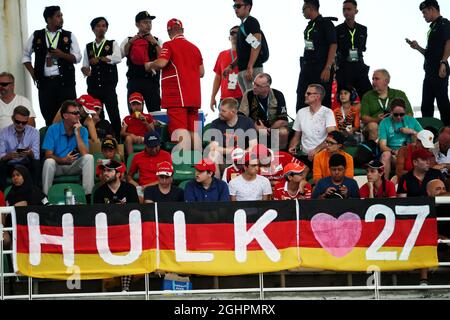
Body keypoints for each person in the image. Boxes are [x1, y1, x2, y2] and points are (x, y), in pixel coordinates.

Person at [145, 18, 204, 151]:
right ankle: (198, 164)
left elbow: (161, 63)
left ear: (169, 31)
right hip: (194, 97)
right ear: (182, 30)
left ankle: (183, 167)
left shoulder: (169, 45)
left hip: (177, 96)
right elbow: (201, 72)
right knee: (193, 132)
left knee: (179, 133)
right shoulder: (195, 48)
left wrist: (150, 65)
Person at [22, 6, 81, 126]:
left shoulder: (69, 36)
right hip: (45, 83)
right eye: (58, 16)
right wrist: (33, 73)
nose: (61, 18)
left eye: (61, 16)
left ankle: (69, 143)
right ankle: (51, 143)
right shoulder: (37, 35)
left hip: (65, 83)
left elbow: (77, 58)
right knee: (48, 115)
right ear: (49, 19)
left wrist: (62, 55)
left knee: (69, 115)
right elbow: (25, 56)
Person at [93, 160, 139, 292]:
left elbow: (136, 214)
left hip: (127, 231)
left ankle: (126, 288)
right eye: (104, 170)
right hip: (106, 233)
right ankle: (107, 287)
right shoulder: (99, 192)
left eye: (109, 170)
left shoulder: (130, 189)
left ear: (118, 174)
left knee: (128, 244)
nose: (105, 173)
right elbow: (96, 216)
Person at [407, 0, 450, 125]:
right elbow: (430, 53)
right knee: (426, 103)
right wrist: (418, 47)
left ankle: (447, 130)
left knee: (442, 101)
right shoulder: (432, 28)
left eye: (424, 12)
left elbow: (449, 42)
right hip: (429, 70)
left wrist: (443, 61)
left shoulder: (444, 23)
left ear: (432, 9)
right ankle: (428, 132)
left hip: (439, 68)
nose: (423, 15)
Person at [41, 100, 94, 198]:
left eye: (78, 113)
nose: (78, 115)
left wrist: (77, 133)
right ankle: (46, 197)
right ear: (65, 116)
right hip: (58, 165)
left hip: (74, 165)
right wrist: (63, 159)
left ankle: (88, 196)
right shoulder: (53, 129)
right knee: (48, 162)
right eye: (74, 113)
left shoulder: (82, 130)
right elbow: (48, 154)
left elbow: (85, 153)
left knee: (89, 158)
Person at [81, 17, 122, 138]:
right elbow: (85, 65)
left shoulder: (112, 43)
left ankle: (118, 140)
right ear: (93, 29)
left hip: (108, 86)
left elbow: (117, 58)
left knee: (114, 113)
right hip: (93, 86)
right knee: (96, 115)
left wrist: (101, 58)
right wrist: (85, 70)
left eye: (104, 26)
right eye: (98, 26)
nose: (101, 28)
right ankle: (99, 140)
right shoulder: (88, 47)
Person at [296, 0, 337, 111]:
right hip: (307, 66)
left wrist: (328, 67)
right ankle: (301, 124)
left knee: (321, 98)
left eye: (304, 9)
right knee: (302, 95)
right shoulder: (309, 25)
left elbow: (333, 45)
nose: (302, 12)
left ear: (311, 8)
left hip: (321, 67)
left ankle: (324, 126)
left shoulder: (326, 23)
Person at [121, 11, 161, 113]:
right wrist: (131, 42)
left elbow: (162, 57)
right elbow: (121, 55)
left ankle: (154, 129)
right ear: (137, 24)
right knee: (135, 113)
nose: (148, 25)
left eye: (150, 22)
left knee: (155, 112)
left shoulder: (157, 40)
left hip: (151, 82)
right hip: (134, 81)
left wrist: (155, 43)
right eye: (145, 22)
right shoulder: (128, 39)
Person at [288, 84, 337, 169]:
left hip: (322, 154)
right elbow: (296, 136)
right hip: (303, 155)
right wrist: (292, 147)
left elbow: (331, 136)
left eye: (308, 93)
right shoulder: (301, 112)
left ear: (317, 96)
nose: (305, 95)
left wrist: (316, 151)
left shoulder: (327, 112)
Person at [239, 73, 289, 149]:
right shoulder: (249, 94)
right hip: (254, 126)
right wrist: (256, 126)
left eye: (258, 86)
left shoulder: (278, 95)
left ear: (267, 88)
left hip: (273, 127)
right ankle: (249, 156)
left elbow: (283, 120)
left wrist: (269, 129)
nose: (254, 87)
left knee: (283, 132)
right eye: (254, 83)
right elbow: (241, 117)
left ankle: (280, 155)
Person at [225, 0, 266, 93]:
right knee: (249, 102)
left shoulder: (251, 22)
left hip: (252, 70)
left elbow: (256, 45)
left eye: (238, 6)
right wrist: (231, 66)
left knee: (254, 101)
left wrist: (250, 66)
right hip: (243, 70)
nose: (235, 8)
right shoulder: (242, 26)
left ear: (247, 7)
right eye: (234, 6)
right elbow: (243, 52)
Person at [335, 0, 372, 99]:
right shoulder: (337, 29)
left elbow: (363, 47)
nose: (346, 12)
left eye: (349, 9)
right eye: (344, 9)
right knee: (344, 96)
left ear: (356, 11)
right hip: (344, 67)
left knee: (367, 95)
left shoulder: (363, 29)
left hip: (359, 65)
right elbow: (334, 49)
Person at [379, 98, 423, 178]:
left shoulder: (411, 120)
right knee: (386, 154)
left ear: (405, 112)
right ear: (391, 112)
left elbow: (424, 137)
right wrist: (394, 151)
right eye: (396, 114)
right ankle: (385, 185)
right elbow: (382, 146)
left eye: (402, 114)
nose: (399, 117)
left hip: (409, 153)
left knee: (416, 138)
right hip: (393, 154)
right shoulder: (384, 122)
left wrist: (412, 131)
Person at [0, 106, 40, 190]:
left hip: (26, 164)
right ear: (12, 118)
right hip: (9, 165)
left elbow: (36, 156)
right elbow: (1, 155)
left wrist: (30, 153)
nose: (20, 125)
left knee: (36, 163)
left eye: (24, 122)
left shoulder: (34, 132)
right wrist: (8, 156)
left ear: (27, 120)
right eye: (17, 122)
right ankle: (3, 196)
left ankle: (34, 192)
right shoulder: (3, 132)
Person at [208, 97, 257, 162]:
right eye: (220, 110)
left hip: (243, 157)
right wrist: (233, 151)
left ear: (233, 112)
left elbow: (253, 146)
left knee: (255, 154)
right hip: (224, 159)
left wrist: (240, 153)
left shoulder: (247, 122)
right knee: (212, 154)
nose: (220, 113)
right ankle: (216, 172)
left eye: (223, 111)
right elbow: (213, 147)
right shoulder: (215, 123)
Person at [210, 26, 243, 112]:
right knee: (223, 125)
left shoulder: (248, 54)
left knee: (242, 125)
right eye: (232, 33)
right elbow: (218, 77)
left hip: (242, 97)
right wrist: (213, 97)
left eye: (238, 33)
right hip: (225, 98)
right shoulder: (222, 54)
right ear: (229, 38)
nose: (235, 35)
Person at [121, 92, 155, 156]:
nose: (136, 107)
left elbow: (153, 132)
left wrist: (146, 123)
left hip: (145, 138)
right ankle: (131, 160)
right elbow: (122, 133)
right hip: (132, 138)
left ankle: (149, 160)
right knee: (128, 138)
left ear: (142, 104)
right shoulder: (127, 118)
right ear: (130, 106)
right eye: (133, 104)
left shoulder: (148, 117)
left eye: (138, 104)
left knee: (153, 139)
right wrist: (132, 135)